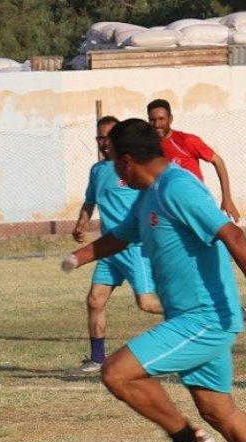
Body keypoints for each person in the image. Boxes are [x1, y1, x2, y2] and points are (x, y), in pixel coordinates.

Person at [61, 119, 246, 442]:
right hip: (190, 317)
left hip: (206, 317)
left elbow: (232, 234)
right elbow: (121, 235)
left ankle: (185, 440)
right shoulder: (150, 194)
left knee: (117, 373)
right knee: (219, 411)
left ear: (124, 161)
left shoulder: (178, 187)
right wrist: (78, 258)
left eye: (111, 159)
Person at [72, 115, 163, 373]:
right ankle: (97, 359)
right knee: (95, 300)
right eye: (99, 137)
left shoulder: (133, 169)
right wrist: (81, 222)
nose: (103, 142)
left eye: (108, 137)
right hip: (108, 250)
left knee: (146, 303)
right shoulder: (97, 171)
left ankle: (204, 313)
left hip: (133, 248)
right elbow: (90, 201)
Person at [146, 99, 240, 222]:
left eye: (161, 119)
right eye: (152, 120)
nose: (157, 124)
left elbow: (218, 162)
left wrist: (227, 198)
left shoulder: (186, 140)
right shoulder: (149, 146)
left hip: (195, 203)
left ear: (170, 119)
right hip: (168, 208)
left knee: (216, 237)